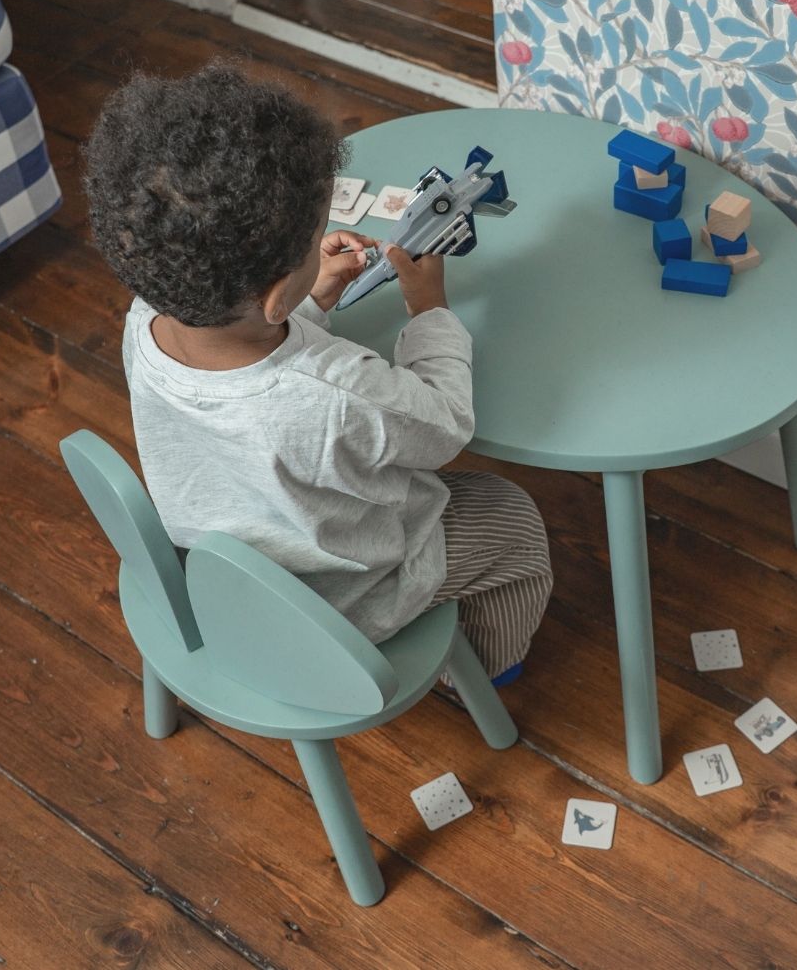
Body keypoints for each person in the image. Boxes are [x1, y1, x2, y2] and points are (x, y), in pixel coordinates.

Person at [83, 61, 552, 684]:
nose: (324, 240)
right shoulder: (337, 392)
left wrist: (312, 296)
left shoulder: (146, 316)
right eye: (314, 240)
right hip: (339, 603)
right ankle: (484, 674)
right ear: (274, 296)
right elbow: (444, 425)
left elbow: (251, 339)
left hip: (220, 577)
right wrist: (429, 309)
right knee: (514, 518)